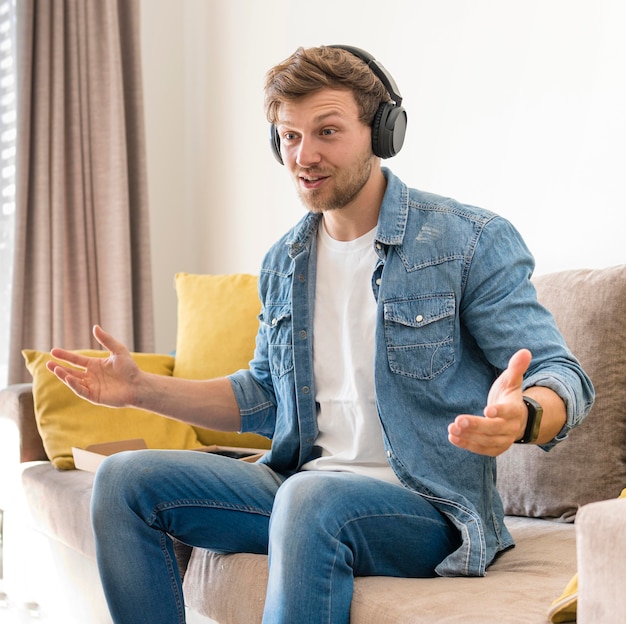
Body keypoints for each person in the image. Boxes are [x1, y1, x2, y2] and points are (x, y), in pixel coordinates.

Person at [47, 45, 594, 624]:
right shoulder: (285, 261)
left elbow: (561, 374)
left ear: (383, 132)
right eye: (288, 136)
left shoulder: (468, 241)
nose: (303, 155)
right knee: (125, 480)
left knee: (309, 500)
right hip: (298, 490)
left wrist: (527, 415)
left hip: (428, 509)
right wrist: (141, 391)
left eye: (327, 131)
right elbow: (262, 394)